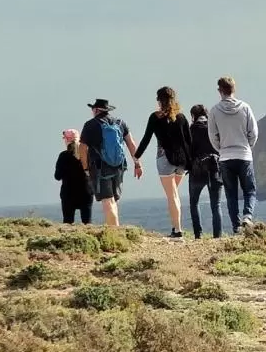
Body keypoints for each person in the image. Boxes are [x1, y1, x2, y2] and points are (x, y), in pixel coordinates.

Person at [134, 86, 192, 239]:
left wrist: (136, 157)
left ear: (159, 100)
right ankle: (175, 227)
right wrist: (190, 162)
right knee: (174, 195)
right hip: (181, 161)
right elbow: (189, 142)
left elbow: (146, 139)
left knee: (172, 195)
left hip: (164, 159)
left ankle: (178, 230)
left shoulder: (155, 117)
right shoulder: (182, 117)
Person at [79, 99, 141, 227]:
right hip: (119, 166)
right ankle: (116, 228)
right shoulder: (120, 123)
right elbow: (131, 144)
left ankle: (114, 233)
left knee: (107, 201)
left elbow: (82, 148)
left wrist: (85, 168)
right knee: (114, 200)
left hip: (100, 168)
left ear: (96, 110)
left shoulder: (90, 125)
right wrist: (137, 164)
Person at [208, 76, 259, 234]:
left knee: (231, 194)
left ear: (220, 91)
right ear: (233, 89)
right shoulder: (245, 108)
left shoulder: (214, 111)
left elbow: (212, 136)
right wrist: (247, 146)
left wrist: (221, 149)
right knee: (249, 190)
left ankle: (236, 227)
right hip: (244, 155)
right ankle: (247, 216)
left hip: (225, 157)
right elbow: (254, 133)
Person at [188, 104, 223, 239]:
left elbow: (188, 151)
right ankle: (217, 236)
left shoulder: (191, 130)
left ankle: (198, 234)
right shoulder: (214, 128)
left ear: (193, 116)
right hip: (214, 168)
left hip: (197, 170)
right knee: (216, 204)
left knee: (194, 202)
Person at [54, 129, 93, 225]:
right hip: (86, 191)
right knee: (87, 223)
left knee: (68, 222)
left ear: (67, 140)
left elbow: (57, 176)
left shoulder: (63, 156)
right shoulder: (88, 153)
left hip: (68, 193)